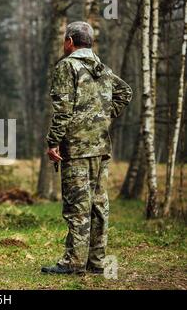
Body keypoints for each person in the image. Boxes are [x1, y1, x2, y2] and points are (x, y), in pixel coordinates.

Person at [41, 21, 133, 275]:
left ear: (70, 41)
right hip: (101, 147)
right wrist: (101, 118)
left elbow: (62, 110)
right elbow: (125, 92)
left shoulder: (67, 66)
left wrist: (53, 141)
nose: (63, 43)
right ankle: (96, 262)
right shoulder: (102, 68)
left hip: (77, 148)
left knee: (77, 207)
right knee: (98, 206)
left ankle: (73, 263)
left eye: (64, 39)